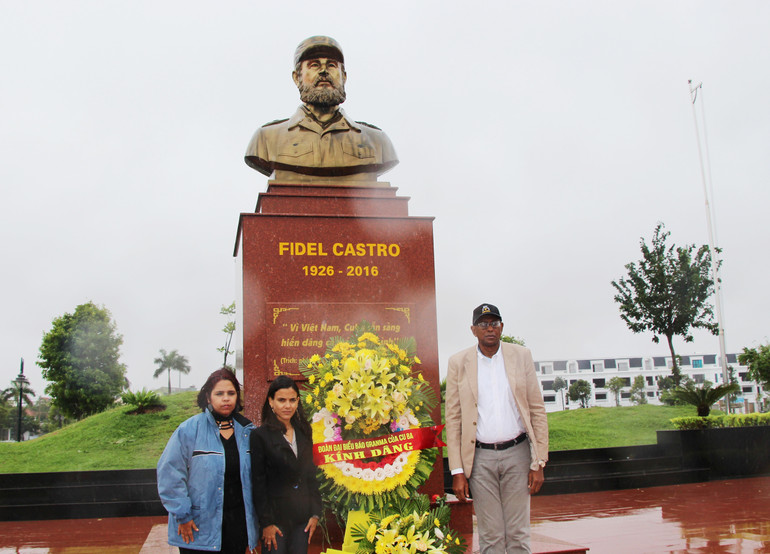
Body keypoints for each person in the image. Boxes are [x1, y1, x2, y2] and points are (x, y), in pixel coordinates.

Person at [445, 304, 549, 554]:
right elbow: (453, 418)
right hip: (480, 459)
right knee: (491, 536)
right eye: (483, 324)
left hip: (518, 453)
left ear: (501, 327)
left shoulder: (520, 355)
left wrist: (540, 462)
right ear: (473, 330)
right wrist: (457, 471)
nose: (489, 328)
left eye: (494, 323)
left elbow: (537, 409)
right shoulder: (458, 362)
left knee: (518, 533)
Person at [244, 35, 398, 182]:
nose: (323, 71)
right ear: (297, 78)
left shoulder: (377, 142)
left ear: (344, 77)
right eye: (314, 65)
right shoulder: (266, 139)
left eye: (331, 65)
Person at [157, 368, 258, 554]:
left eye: (231, 393)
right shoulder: (189, 430)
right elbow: (169, 474)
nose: (226, 398)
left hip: (237, 525)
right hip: (198, 525)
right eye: (219, 393)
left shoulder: (248, 432)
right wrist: (183, 515)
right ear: (208, 397)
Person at [250, 375, 322, 553]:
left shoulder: (305, 432)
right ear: (271, 402)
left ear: (298, 401)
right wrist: (266, 523)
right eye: (281, 400)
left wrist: (315, 514)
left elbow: (311, 476)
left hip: (302, 519)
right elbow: (258, 483)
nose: (287, 405)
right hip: (275, 521)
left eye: (292, 400)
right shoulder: (260, 436)